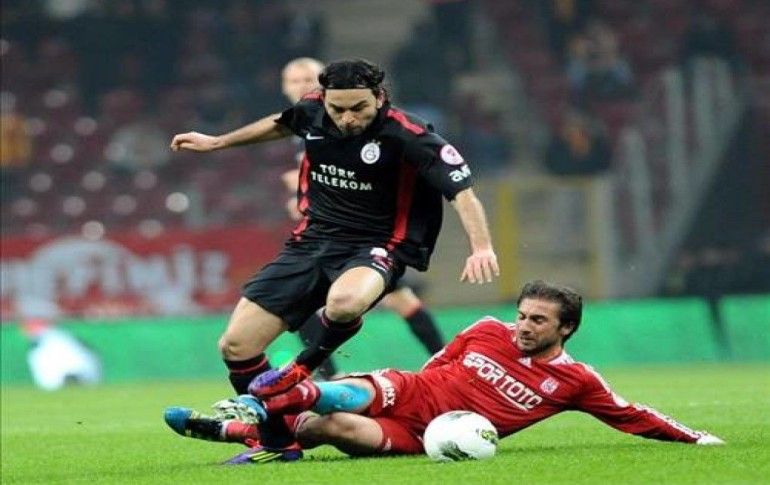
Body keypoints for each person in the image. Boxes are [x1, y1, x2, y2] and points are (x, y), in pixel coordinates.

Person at [169, 59, 499, 459]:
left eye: (358, 108)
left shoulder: (410, 135)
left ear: (379, 97)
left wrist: (481, 247)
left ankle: (302, 367)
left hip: (378, 244)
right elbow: (282, 123)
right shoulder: (312, 110)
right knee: (236, 345)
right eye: (337, 109)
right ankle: (279, 442)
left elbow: (463, 193)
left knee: (344, 303)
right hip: (312, 241)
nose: (347, 118)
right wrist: (217, 142)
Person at [164, 280, 724, 464]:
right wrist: (411, 385)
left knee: (320, 428)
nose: (523, 327)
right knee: (337, 394)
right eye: (522, 315)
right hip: (409, 390)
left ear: (567, 328)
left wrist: (695, 438)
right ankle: (260, 404)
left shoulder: (576, 381)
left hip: (422, 436)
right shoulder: (487, 329)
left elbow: (631, 415)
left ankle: (242, 431)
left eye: (538, 321)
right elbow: (438, 365)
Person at [280, 58, 445, 380]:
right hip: (336, 232)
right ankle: (328, 376)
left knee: (304, 300)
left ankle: (445, 364)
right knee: (400, 300)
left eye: (308, 79)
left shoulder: (351, 122)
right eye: (294, 81)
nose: (301, 86)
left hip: (366, 235)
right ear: (284, 87)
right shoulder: (305, 124)